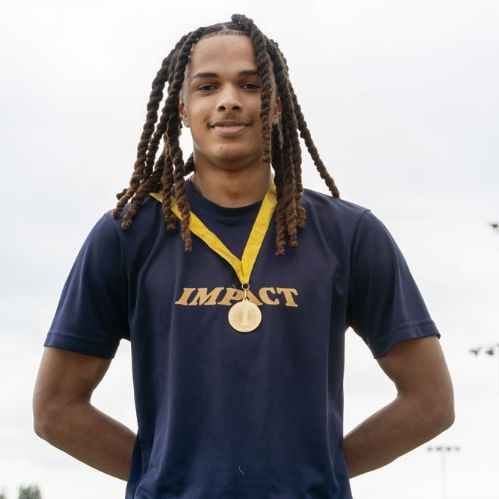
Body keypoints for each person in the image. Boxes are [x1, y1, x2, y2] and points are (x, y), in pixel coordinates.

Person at [32, 14, 454, 499]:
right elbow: (55, 409)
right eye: (208, 86)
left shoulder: (349, 234)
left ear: (275, 106)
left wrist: (325, 474)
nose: (229, 100)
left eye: (250, 85)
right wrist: (158, 478)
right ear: (183, 109)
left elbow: (431, 402)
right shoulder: (126, 236)